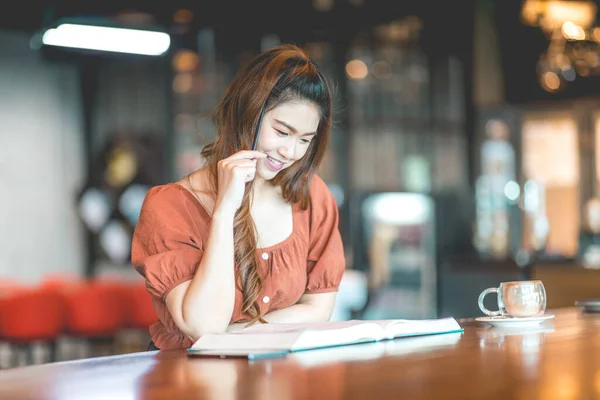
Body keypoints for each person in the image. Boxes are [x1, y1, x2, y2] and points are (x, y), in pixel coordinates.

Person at [131, 44, 346, 350]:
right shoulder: (170, 207)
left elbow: (318, 309)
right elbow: (204, 326)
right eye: (282, 132)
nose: (291, 152)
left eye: (304, 140)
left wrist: (235, 333)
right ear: (248, 112)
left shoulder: (311, 197)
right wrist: (224, 211)